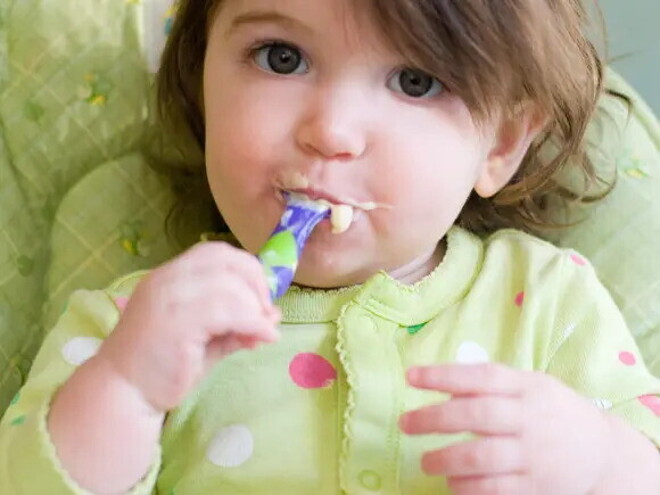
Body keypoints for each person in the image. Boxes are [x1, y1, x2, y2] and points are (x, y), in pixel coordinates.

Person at [1, 0, 658, 494]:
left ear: (501, 144)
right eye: (280, 57)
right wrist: (124, 389)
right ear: (202, 77)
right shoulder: (134, 326)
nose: (332, 131)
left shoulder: (546, 300)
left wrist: (600, 463)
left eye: (415, 81)